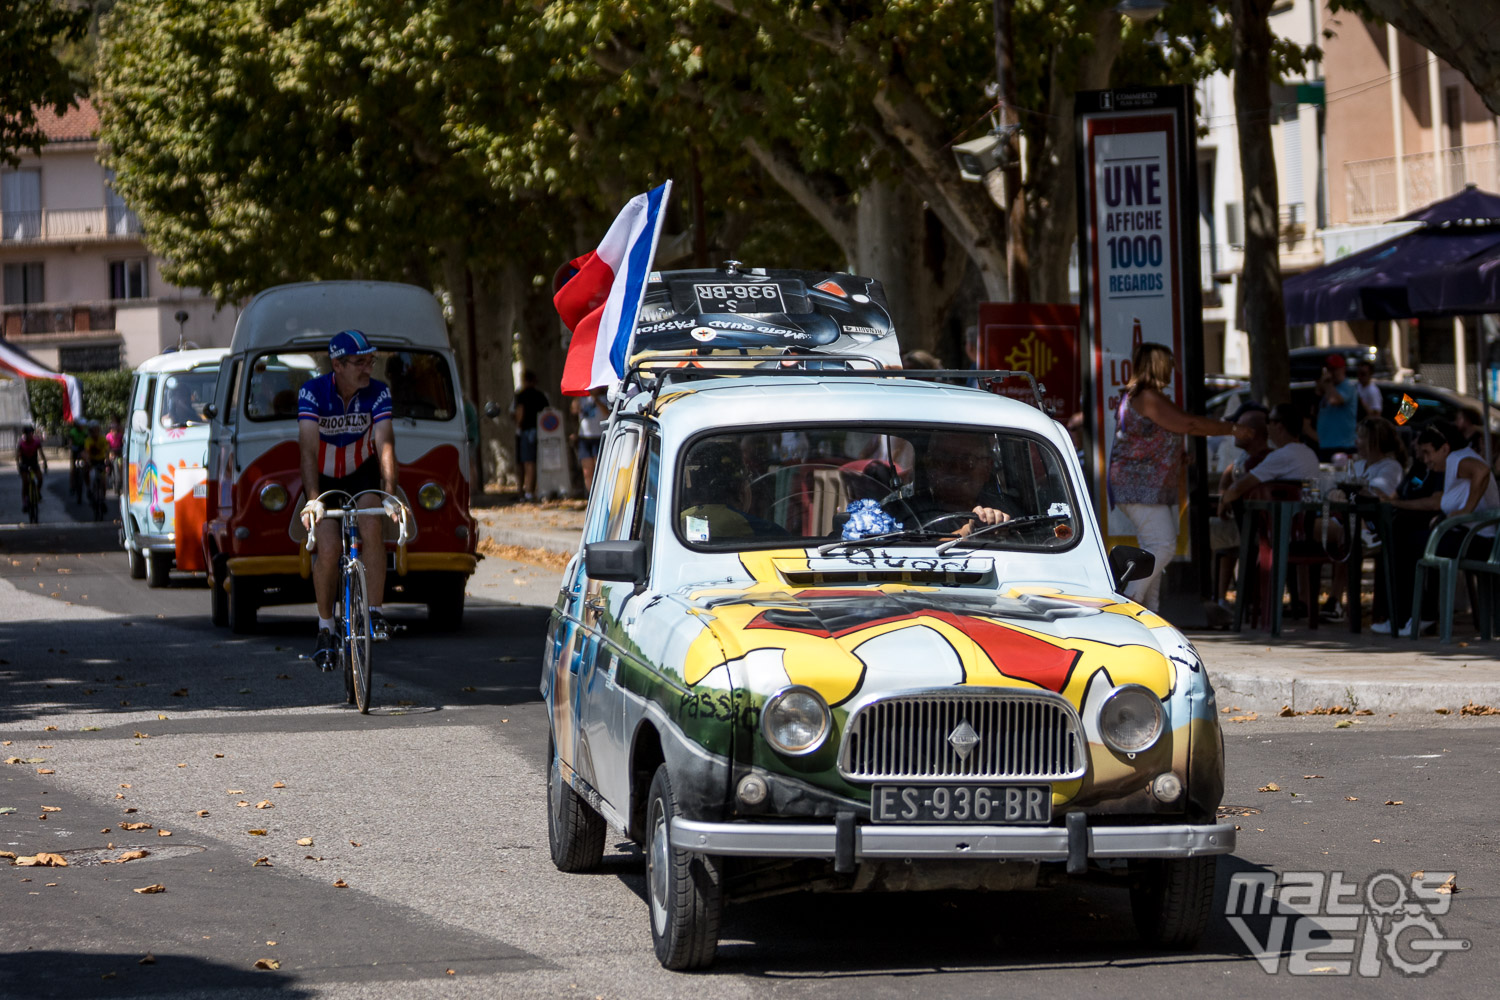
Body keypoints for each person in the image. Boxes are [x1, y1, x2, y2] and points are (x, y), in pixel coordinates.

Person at [1108, 341, 1248, 612]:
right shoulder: (1148, 396)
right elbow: (1189, 424)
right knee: (1163, 545)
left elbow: (1151, 437)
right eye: (1169, 364)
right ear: (1159, 366)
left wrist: (1175, 455)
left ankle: (1150, 612)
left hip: (1139, 486)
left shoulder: (1137, 395)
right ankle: (1130, 600)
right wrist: (1232, 429)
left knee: (1153, 549)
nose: (1173, 369)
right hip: (1140, 487)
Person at [296, 330, 402, 666]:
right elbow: (308, 450)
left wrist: (388, 495)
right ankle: (326, 626)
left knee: (372, 521)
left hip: (362, 475)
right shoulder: (313, 393)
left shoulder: (378, 392)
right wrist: (313, 500)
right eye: (359, 361)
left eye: (370, 360)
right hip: (323, 480)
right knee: (328, 548)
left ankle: (372, 611)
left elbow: (385, 445)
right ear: (337, 364)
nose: (367, 367)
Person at [1373, 420, 1500, 636]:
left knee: (1403, 542)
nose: (1425, 459)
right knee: (1404, 537)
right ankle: (1407, 616)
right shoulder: (1452, 463)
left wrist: (1467, 510)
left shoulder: (1457, 458)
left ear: (1445, 448)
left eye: (1427, 452)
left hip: (1479, 542)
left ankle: (1413, 616)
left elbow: (1482, 471)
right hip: (1467, 537)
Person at [1206, 405, 1270, 625]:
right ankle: (1220, 597)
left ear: (1250, 433)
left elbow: (1239, 487)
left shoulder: (1261, 460)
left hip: (1257, 527)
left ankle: (1215, 596)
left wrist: (1225, 500)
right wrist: (1224, 495)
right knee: (1221, 531)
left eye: (1238, 427)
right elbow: (1228, 477)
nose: (1233, 432)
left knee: (1204, 533)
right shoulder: (1245, 457)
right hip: (1241, 522)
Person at [1313, 354, 1359, 459]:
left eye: (1334, 369)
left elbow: (1334, 400)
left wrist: (1328, 383)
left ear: (1343, 369)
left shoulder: (1348, 387)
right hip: (1326, 445)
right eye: (1329, 369)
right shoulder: (1329, 388)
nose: (1331, 373)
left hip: (1343, 446)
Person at [513, 370, 550, 501]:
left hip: (527, 431)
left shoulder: (521, 395)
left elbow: (520, 412)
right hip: (541, 430)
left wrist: (518, 426)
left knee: (528, 462)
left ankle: (528, 491)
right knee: (535, 461)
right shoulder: (541, 395)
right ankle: (533, 489)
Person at [572, 387, 606, 494]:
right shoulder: (582, 399)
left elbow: (607, 413)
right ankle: (590, 495)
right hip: (584, 438)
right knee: (587, 471)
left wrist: (596, 400)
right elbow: (574, 410)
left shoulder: (605, 398)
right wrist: (578, 396)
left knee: (599, 469)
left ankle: (600, 494)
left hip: (599, 436)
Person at [15, 424, 47, 514]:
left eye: (31, 433)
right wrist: (18, 465)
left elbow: (41, 453)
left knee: (40, 479)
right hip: (24, 464)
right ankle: (25, 501)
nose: (29, 435)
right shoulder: (21, 443)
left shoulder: (36, 442)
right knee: (25, 482)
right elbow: (17, 456)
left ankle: (37, 492)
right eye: (27, 434)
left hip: (34, 463)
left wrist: (45, 462)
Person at [64, 418, 88, 502]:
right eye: (81, 425)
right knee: (73, 468)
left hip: (82, 448)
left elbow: (87, 441)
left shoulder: (85, 431)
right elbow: (70, 442)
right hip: (74, 449)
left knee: (86, 462)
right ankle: (72, 486)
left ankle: (85, 477)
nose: (82, 427)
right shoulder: (73, 432)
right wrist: (70, 446)